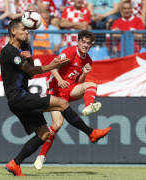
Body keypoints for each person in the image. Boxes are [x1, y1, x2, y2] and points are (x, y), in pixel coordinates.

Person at [1, 18, 111, 176]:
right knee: (61, 103)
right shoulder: (8, 51)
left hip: (22, 97)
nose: (27, 32)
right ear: (13, 31)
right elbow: (32, 72)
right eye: (23, 30)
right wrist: (53, 66)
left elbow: (29, 73)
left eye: (27, 30)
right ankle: (91, 133)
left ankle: (15, 164)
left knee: (44, 134)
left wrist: (29, 57)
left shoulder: (23, 48)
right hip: (19, 97)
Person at [33, 30, 103, 170]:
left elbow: (79, 81)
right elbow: (52, 66)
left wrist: (84, 73)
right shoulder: (70, 52)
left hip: (69, 89)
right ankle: (41, 156)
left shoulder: (88, 60)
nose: (85, 45)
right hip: (55, 91)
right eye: (83, 42)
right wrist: (59, 80)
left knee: (92, 84)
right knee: (57, 124)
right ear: (77, 42)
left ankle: (88, 106)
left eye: (88, 43)